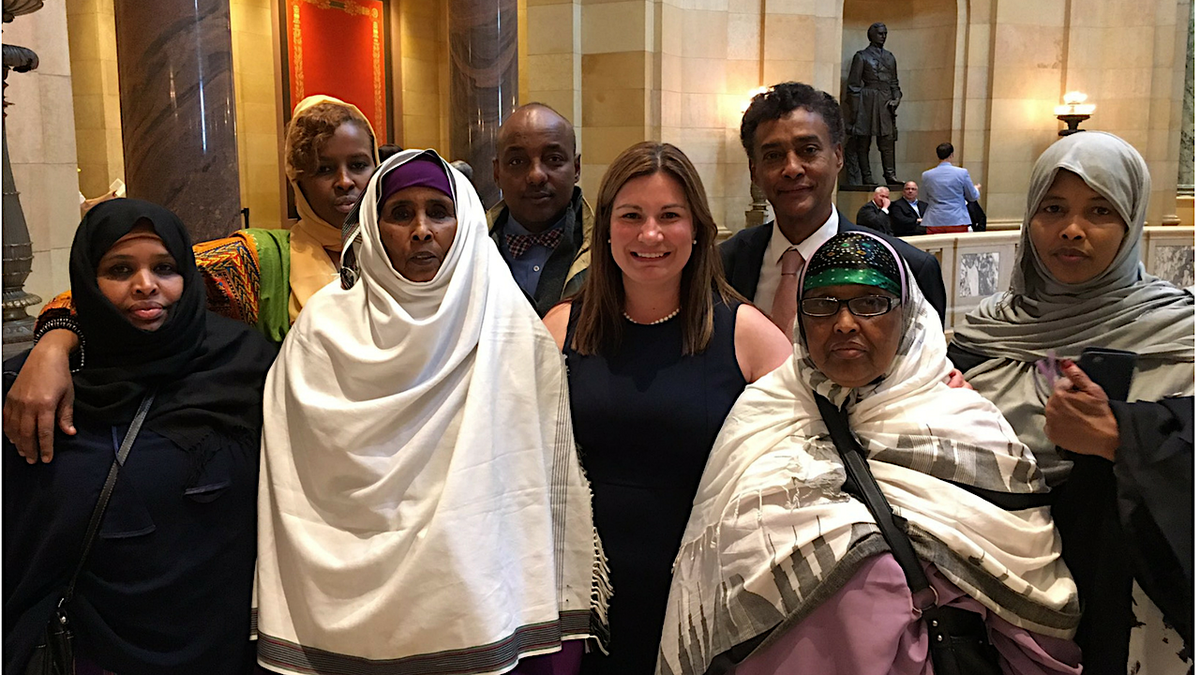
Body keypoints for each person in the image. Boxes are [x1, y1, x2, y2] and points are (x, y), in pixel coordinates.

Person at [659, 231, 1083, 675]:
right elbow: (713, 573)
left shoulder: (970, 427)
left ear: (909, 315)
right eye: (822, 304)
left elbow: (1029, 596)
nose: (844, 323)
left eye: (870, 302)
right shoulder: (764, 414)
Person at [256, 149, 607, 675]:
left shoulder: (509, 328)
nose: (421, 230)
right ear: (374, 228)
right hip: (338, 599)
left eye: (438, 212)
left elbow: (534, 481)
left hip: (478, 590)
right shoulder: (322, 333)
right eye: (401, 214)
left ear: (463, 223)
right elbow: (292, 479)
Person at [5, 94, 379, 463]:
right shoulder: (255, 257)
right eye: (324, 169)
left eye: (359, 165)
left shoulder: (400, 258)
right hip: (306, 461)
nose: (345, 182)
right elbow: (114, 294)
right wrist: (51, 349)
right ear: (298, 179)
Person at [542, 142, 793, 675]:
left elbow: (816, 431)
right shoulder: (562, 327)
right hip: (584, 593)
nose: (649, 235)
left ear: (698, 228)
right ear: (606, 227)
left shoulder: (743, 332)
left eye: (670, 216)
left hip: (703, 592)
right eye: (631, 216)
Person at [949, 132, 1194, 674]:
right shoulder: (984, 335)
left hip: (1127, 609)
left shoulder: (1180, 335)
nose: (1072, 230)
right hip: (997, 604)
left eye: (1100, 211)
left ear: (1131, 222)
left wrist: (1121, 438)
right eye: (1053, 208)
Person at [4, 199, 276, 674]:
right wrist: (54, 341)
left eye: (165, 267)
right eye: (119, 269)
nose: (146, 285)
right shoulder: (35, 392)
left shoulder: (245, 365)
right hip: (91, 648)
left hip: (225, 644)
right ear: (88, 280)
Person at [719, 82, 946, 338]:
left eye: (809, 150)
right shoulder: (723, 265)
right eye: (773, 155)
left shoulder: (909, 268)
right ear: (754, 171)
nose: (792, 168)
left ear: (838, 156)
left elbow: (928, 371)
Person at [490, 102, 592, 316]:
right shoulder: (465, 250)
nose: (536, 175)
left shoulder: (610, 249)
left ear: (576, 168)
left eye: (553, 159)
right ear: (497, 173)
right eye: (517, 161)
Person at [845, 22, 902, 186]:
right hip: (867, 101)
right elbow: (853, 85)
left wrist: (896, 99)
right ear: (871, 35)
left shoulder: (890, 57)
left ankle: (890, 175)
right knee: (863, 141)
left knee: (887, 140)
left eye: (885, 33)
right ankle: (866, 176)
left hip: (885, 101)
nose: (883, 36)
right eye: (880, 34)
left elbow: (895, 84)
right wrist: (855, 111)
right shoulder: (862, 56)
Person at [921, 142, 980, 232]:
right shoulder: (962, 173)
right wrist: (976, 188)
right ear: (952, 155)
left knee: (936, 246)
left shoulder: (926, 175)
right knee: (956, 246)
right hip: (957, 219)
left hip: (934, 219)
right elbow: (972, 197)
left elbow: (924, 197)